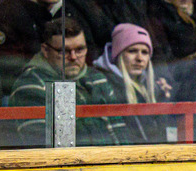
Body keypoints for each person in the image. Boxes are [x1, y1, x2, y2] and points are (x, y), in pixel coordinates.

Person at [9, 18, 128, 146]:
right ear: (45, 50)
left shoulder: (96, 78)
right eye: (64, 51)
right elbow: (43, 147)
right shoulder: (31, 85)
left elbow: (121, 133)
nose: (73, 57)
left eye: (80, 49)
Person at [92, 23, 175, 144]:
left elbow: (165, 130)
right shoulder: (106, 85)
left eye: (145, 52)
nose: (139, 58)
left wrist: (164, 98)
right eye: (132, 51)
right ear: (118, 55)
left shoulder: (154, 86)